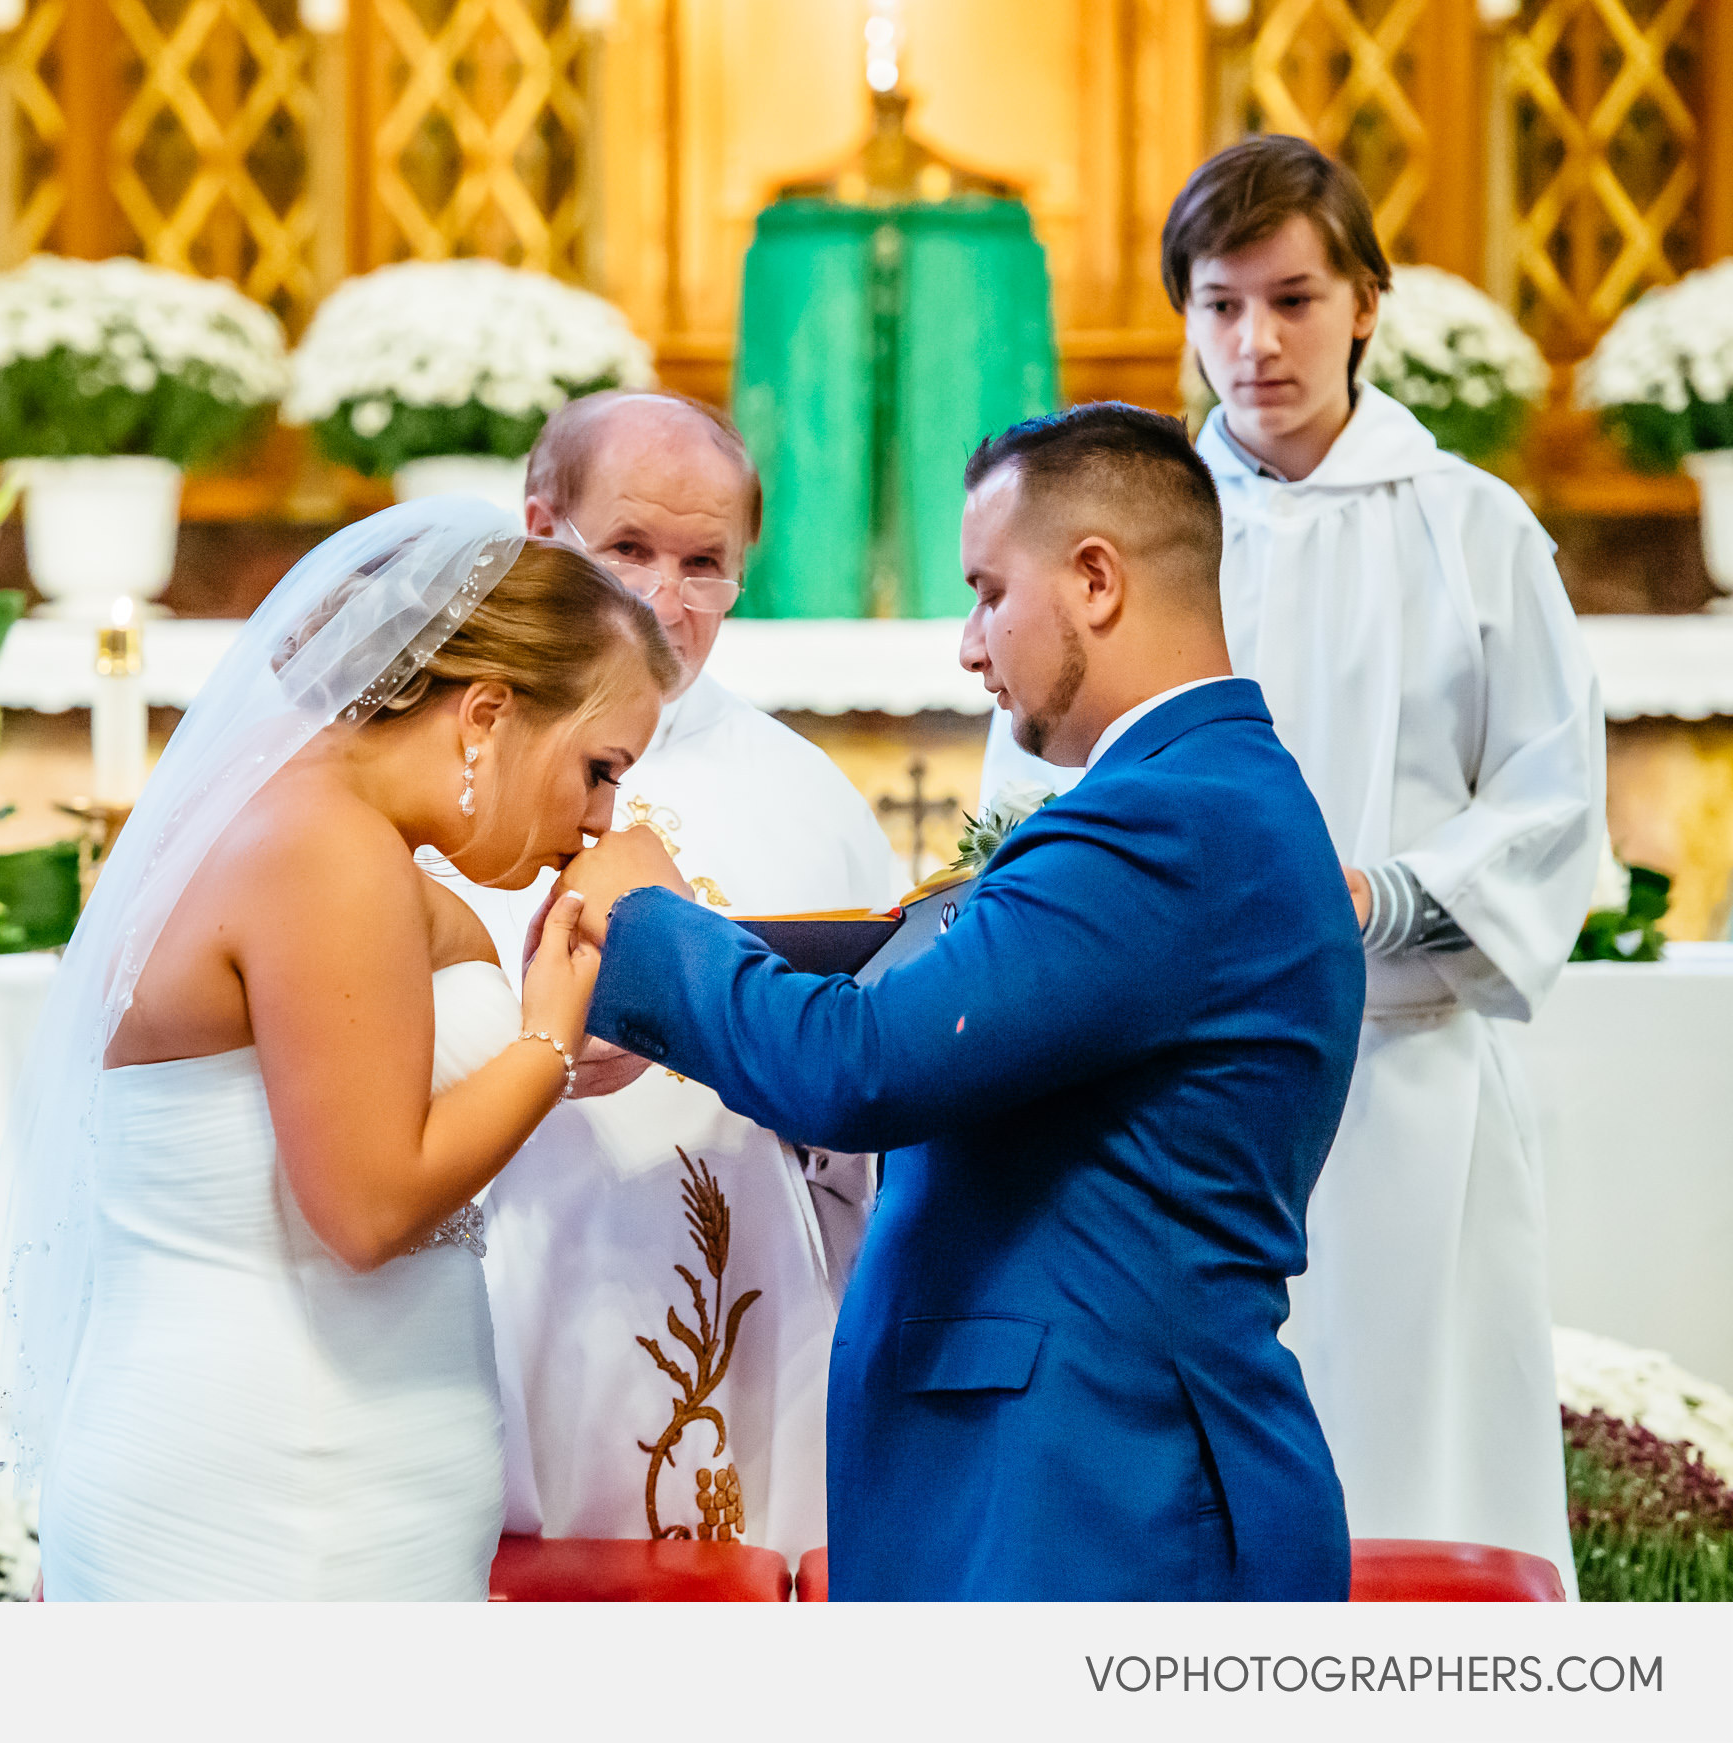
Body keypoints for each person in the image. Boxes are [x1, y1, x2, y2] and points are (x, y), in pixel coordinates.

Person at [560, 403, 1365, 1600]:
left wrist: (647, 923)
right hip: (1074, 1470)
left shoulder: (1169, 819)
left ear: (1096, 580)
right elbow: (952, 994)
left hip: (1108, 1492)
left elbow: (867, 1068)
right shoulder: (1197, 794)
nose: (970, 645)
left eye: (990, 591)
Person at [990, 137, 1604, 1583]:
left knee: (1421, 1458)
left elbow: (1552, 795)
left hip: (1409, 1085)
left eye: (1294, 299)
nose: (1254, 345)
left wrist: (1381, 897)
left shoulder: (1471, 527)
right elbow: (1032, 771)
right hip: (1177, 1099)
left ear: (1368, 302)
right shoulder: (1124, 533)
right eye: (1219, 307)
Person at [0, 498, 677, 1600]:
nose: (601, 817)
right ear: (488, 713)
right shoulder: (325, 846)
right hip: (280, 1482)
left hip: (338, 1456)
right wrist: (547, 1041)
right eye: (600, 766)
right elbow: (365, 1208)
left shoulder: (327, 834)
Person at [447, 391, 894, 1565]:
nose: (663, 599)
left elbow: (870, 1071)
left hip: (740, 1290)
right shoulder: (443, 754)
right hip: (489, 1258)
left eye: (706, 564)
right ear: (541, 532)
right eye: (629, 549)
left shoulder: (806, 794)